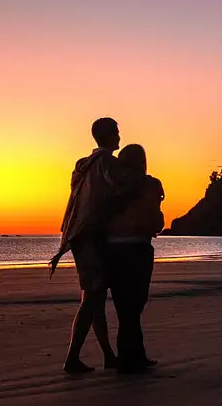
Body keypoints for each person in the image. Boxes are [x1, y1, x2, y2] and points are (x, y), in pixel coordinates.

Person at [50, 117, 131, 374]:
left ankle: (107, 354)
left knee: (93, 296)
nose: (119, 136)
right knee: (93, 296)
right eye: (116, 132)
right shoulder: (105, 162)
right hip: (91, 235)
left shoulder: (83, 165)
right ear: (107, 135)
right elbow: (123, 186)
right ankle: (72, 358)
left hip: (78, 234)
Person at [104, 143, 164, 374]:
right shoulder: (150, 185)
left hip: (113, 250)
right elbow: (156, 220)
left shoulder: (112, 186)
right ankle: (132, 357)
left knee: (124, 306)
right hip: (138, 248)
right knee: (135, 303)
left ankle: (130, 355)